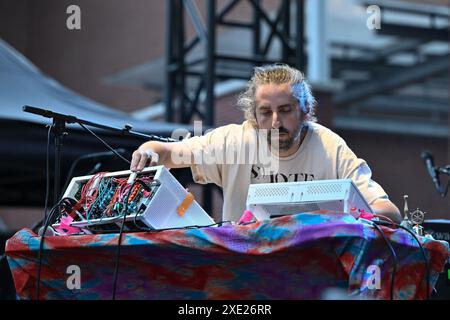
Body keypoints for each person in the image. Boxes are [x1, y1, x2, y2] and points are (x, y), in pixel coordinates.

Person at [130, 64, 401, 223]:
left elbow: (389, 212)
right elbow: (169, 152)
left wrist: (341, 224)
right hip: (243, 275)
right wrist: (149, 151)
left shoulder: (331, 147)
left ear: (305, 110)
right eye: (265, 112)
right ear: (252, 115)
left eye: (285, 110)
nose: (275, 122)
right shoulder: (234, 140)